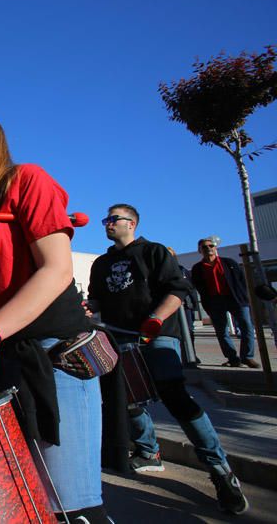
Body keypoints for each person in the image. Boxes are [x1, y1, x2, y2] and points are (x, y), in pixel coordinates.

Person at [0, 113, 109, 522]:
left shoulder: (28, 180)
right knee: (18, 495)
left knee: (69, 506)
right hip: (2, 357)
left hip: (54, 355)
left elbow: (57, 270)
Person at [88, 204, 248, 515]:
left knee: (176, 397)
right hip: (121, 339)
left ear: (131, 223)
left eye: (113, 219)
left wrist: (156, 319)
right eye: (105, 219)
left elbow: (178, 290)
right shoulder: (102, 263)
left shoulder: (155, 252)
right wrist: (87, 308)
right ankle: (149, 452)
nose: (107, 224)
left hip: (156, 335)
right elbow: (97, 299)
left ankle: (221, 470)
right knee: (129, 400)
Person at [191, 237, 259, 368]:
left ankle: (247, 357)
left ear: (215, 248)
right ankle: (233, 358)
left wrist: (243, 296)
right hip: (215, 301)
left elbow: (241, 281)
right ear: (200, 250)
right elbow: (198, 286)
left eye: (211, 246)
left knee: (247, 327)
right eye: (204, 247)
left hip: (235, 299)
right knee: (221, 331)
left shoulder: (229, 263)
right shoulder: (198, 269)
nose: (208, 249)